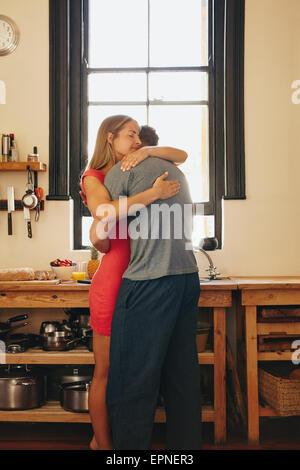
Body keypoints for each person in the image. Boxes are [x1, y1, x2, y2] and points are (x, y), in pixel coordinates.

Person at [80, 115, 188, 450]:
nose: (137, 141)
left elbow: (181, 155)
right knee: (107, 370)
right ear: (109, 138)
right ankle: (103, 443)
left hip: (140, 278)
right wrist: (153, 193)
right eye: (130, 135)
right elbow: (102, 217)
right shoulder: (96, 176)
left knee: (133, 368)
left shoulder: (130, 169)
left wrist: (147, 151)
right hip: (115, 279)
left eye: (139, 136)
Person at [103, 154, 202, 450]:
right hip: (186, 277)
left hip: (149, 281)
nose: (132, 146)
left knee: (131, 378)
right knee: (182, 377)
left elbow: (103, 218)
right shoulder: (176, 170)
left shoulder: (123, 170)